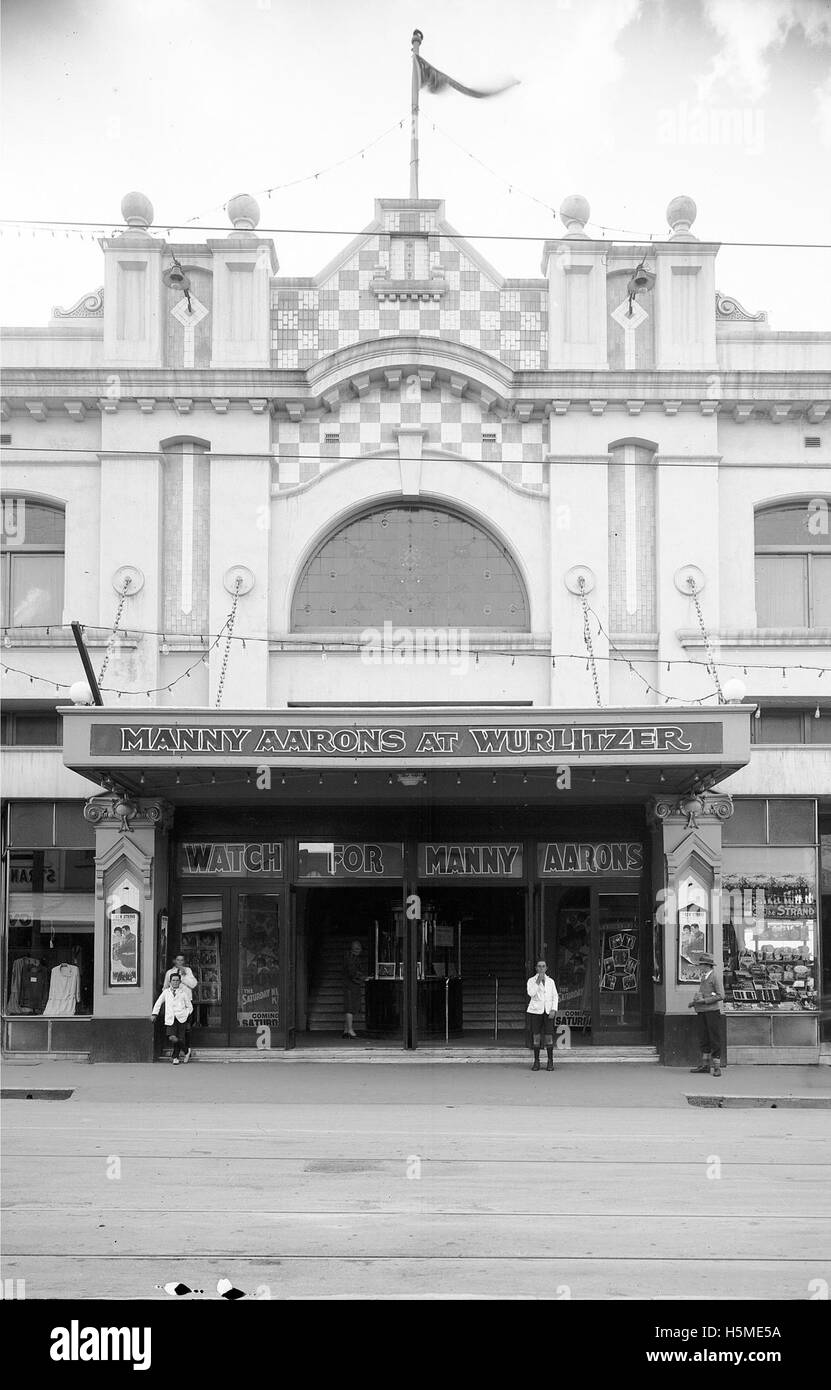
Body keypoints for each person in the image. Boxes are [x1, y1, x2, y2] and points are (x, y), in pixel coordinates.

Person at [688, 951, 725, 1077]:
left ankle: (717, 1067)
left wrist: (705, 1000)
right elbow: (704, 994)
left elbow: (721, 995)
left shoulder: (715, 977)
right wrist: (694, 1002)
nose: (700, 967)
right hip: (702, 1011)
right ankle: (705, 1065)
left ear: (707, 965)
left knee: (714, 1039)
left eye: (702, 965)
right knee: (704, 1038)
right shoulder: (704, 977)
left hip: (712, 1012)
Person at [151, 971, 193, 1065]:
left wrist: (185, 1013)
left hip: (181, 1018)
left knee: (180, 1038)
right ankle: (186, 1051)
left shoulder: (183, 993)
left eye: (177, 980)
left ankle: (176, 1057)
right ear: (170, 982)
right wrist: (154, 1014)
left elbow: (190, 1007)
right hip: (170, 1018)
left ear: (180, 982)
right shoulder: (166, 992)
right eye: (173, 980)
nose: (175, 982)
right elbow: (158, 1003)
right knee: (172, 1037)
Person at [526, 958, 559, 1072]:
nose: (541, 968)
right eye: (539, 966)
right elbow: (531, 993)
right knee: (536, 1036)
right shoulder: (531, 980)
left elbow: (555, 996)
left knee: (549, 1036)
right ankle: (536, 1061)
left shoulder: (551, 981)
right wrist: (538, 981)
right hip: (536, 1011)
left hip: (548, 1012)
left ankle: (550, 1061)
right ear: (536, 968)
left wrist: (554, 1009)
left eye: (543, 966)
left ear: (546, 968)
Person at [343, 939, 364, 1039]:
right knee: (350, 1007)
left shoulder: (352, 957)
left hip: (351, 985)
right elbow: (352, 973)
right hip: (351, 985)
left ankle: (346, 1029)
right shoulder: (351, 958)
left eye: (359, 948)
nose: (358, 950)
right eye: (356, 948)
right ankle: (350, 1030)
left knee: (350, 1006)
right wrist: (362, 977)